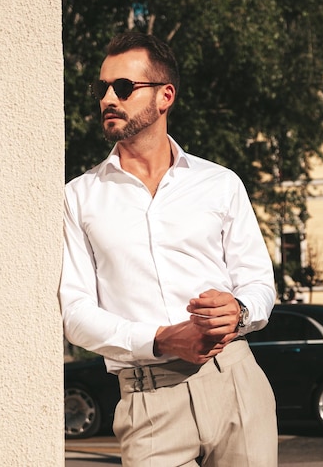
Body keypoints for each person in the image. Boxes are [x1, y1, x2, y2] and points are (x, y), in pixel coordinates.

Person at [59, 32, 278, 467]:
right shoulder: (78, 197)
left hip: (235, 382)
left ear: (165, 96)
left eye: (123, 88)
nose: (107, 98)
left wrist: (238, 309)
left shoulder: (219, 183)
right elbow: (76, 314)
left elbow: (259, 283)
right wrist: (160, 340)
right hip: (148, 400)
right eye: (101, 88)